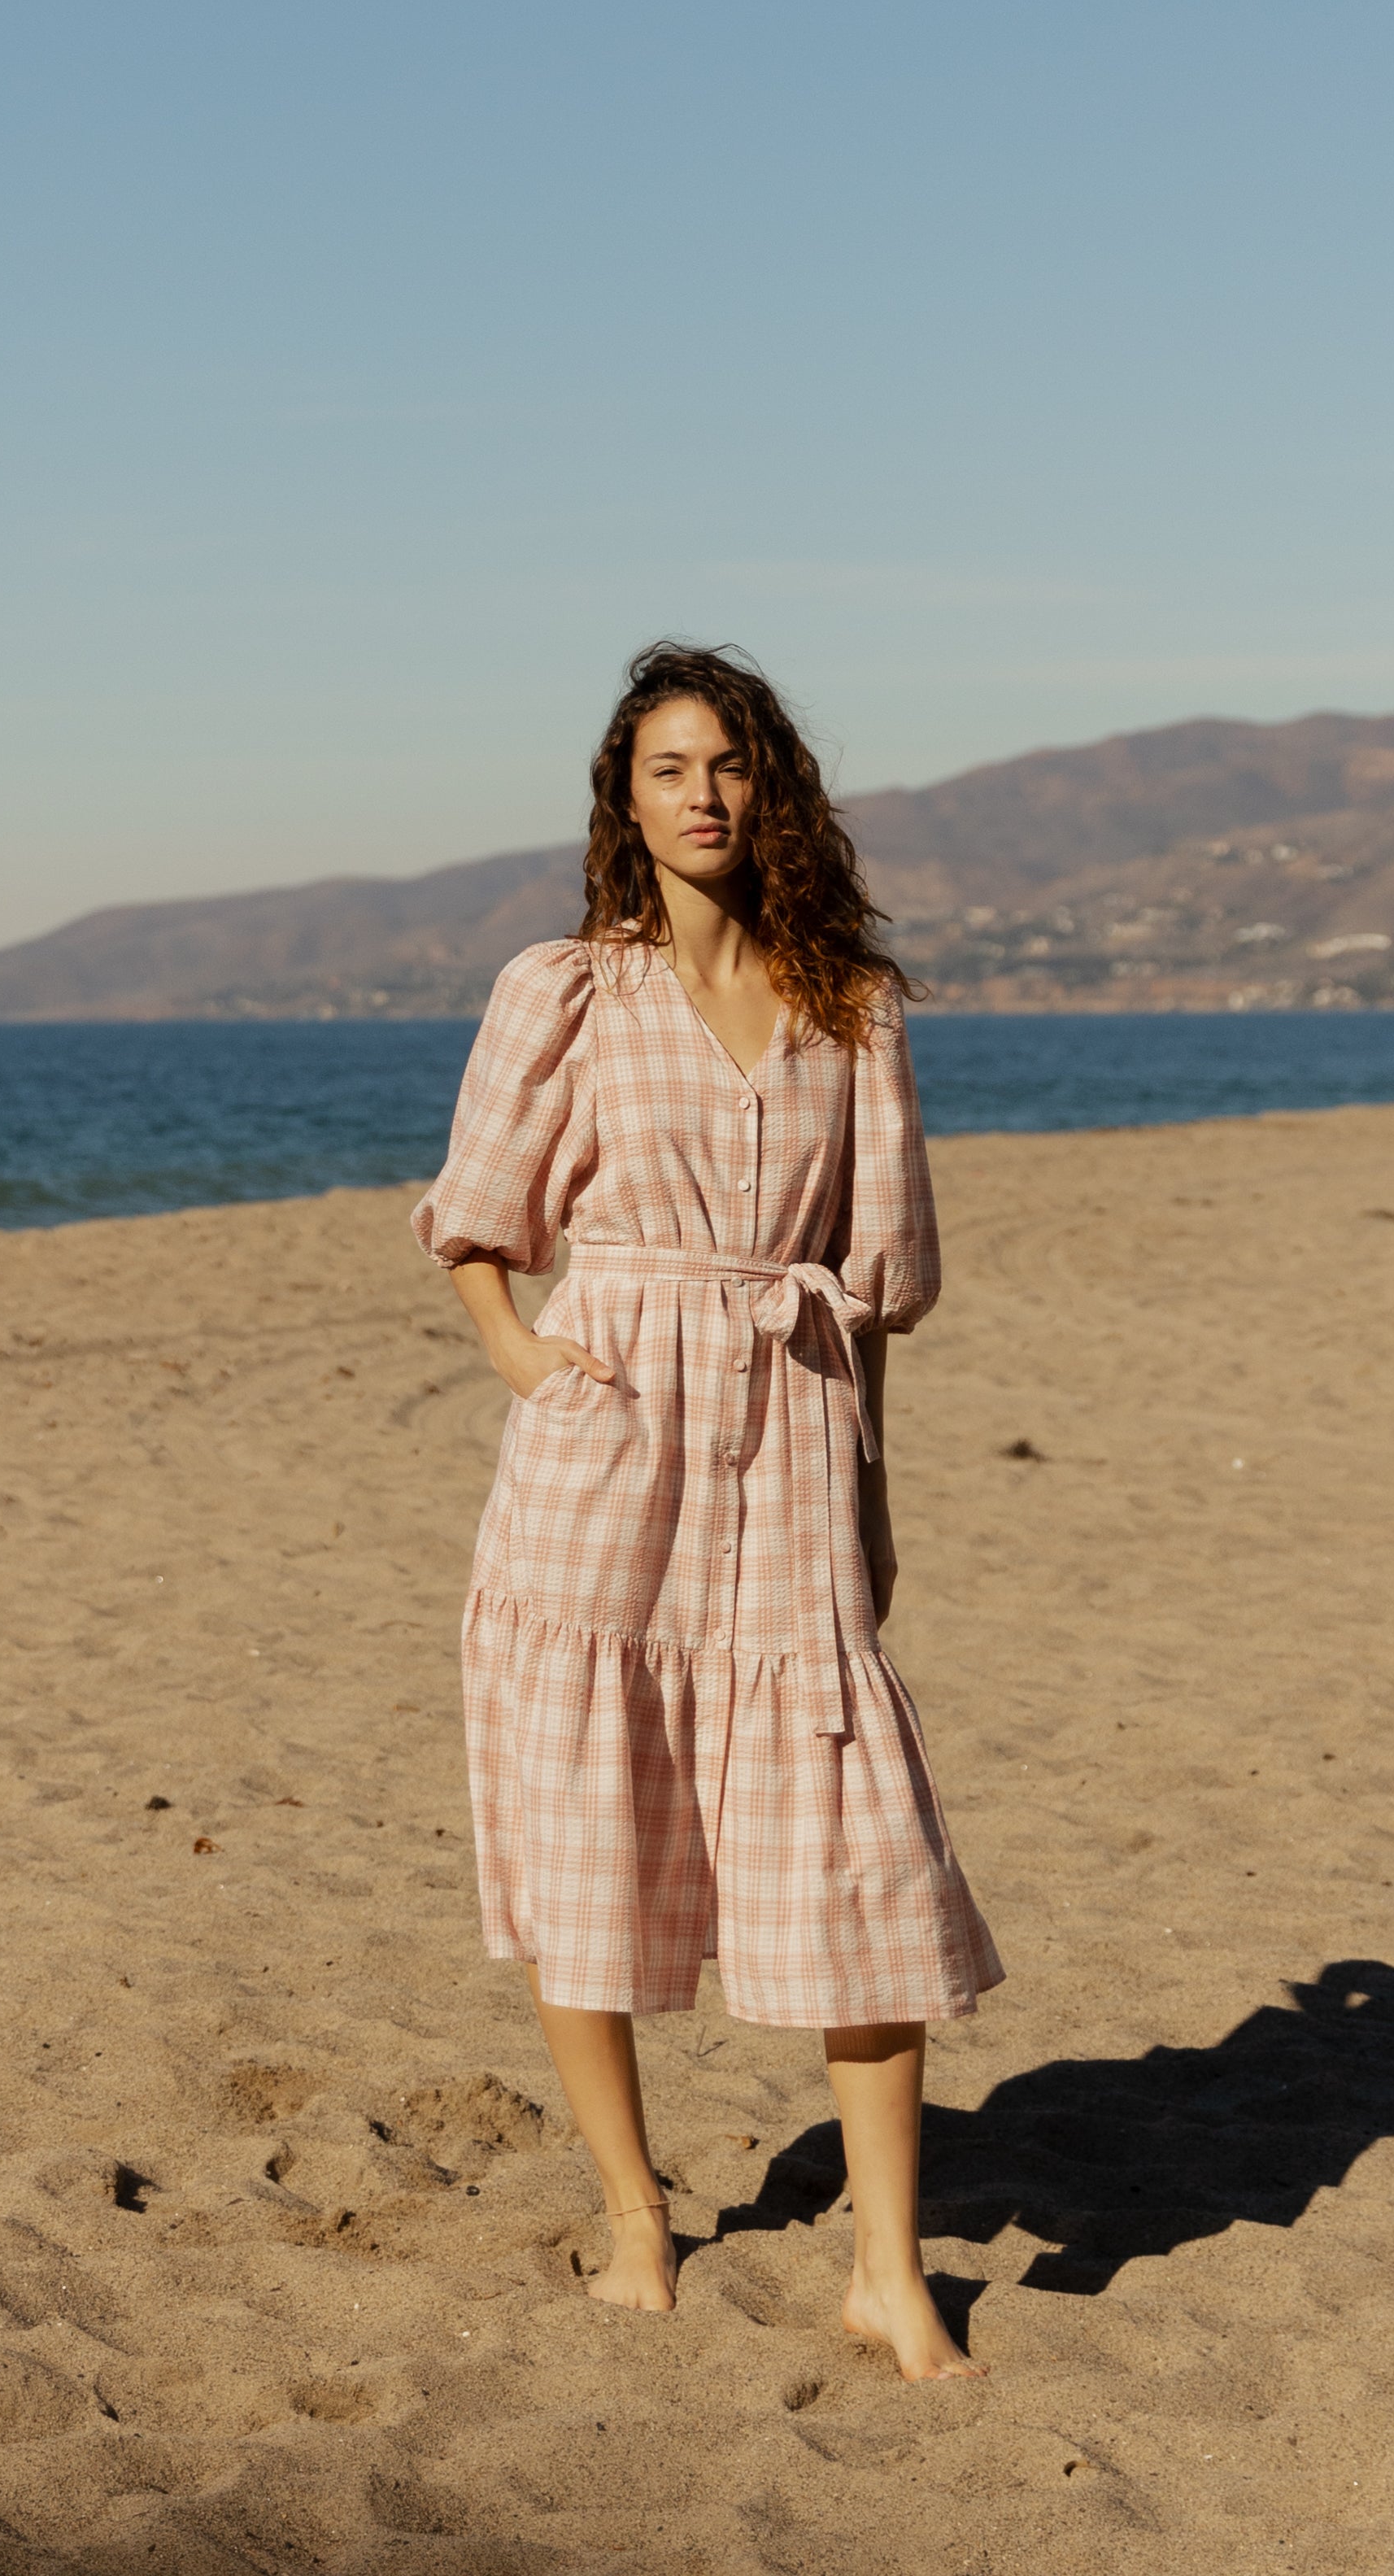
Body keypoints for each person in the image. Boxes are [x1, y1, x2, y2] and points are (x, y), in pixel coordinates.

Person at [412, 641, 1001, 2382]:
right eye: (670, 767)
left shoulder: (852, 1008)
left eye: (732, 763)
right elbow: (474, 1218)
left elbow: (869, 1284)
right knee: (586, 1802)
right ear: (627, 798)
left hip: (797, 1438)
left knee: (857, 1840)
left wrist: (873, 1502)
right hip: (611, 1434)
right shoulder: (566, 990)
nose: (705, 793)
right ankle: (632, 2216)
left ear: (776, 790)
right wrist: (532, 1368)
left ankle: (888, 2272)